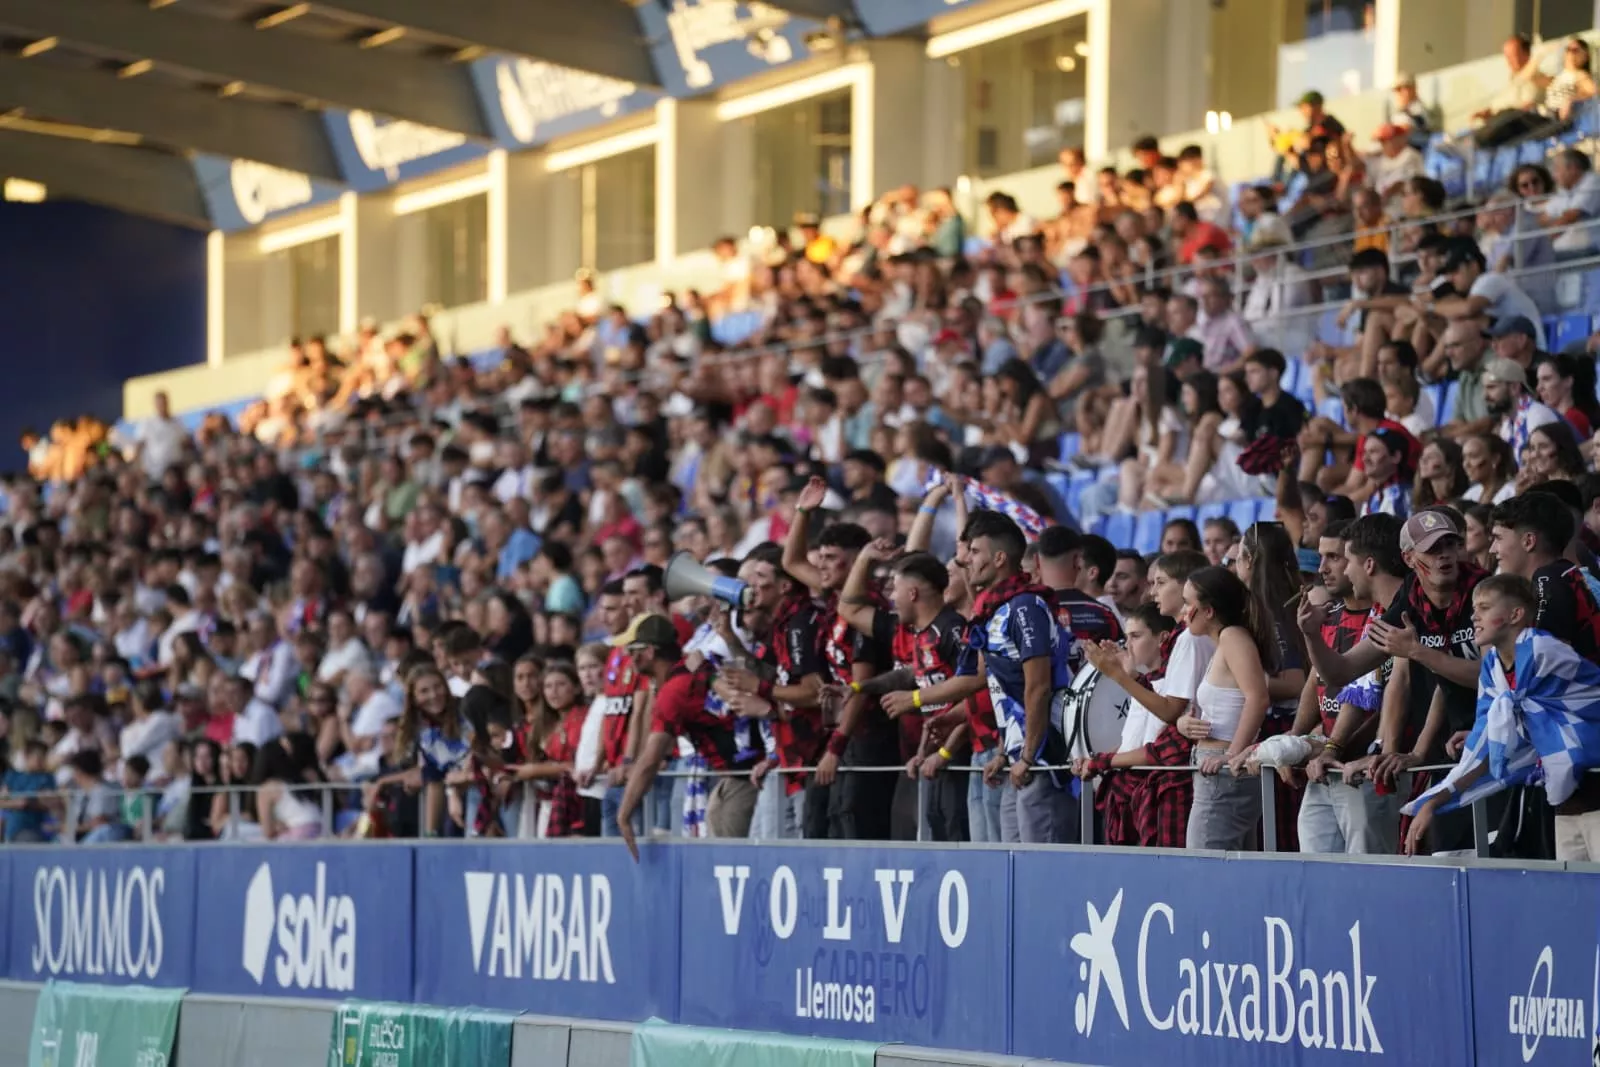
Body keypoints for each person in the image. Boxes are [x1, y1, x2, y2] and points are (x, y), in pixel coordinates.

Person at [1299, 509, 1488, 853]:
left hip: (1495, 750)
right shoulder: (1412, 599)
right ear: (1409, 558)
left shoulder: (1483, 592)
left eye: (1450, 544)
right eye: (1432, 548)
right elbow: (1341, 673)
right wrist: (1312, 637)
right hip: (1449, 755)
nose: (1444, 554)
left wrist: (1419, 653)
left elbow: (1497, 678)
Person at [889, 511, 1076, 843]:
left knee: (1039, 863)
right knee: (1008, 862)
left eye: (974, 553)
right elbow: (999, 686)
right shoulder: (995, 610)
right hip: (1014, 756)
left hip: (1044, 756)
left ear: (999, 559)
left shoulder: (1025, 607)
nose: (967, 562)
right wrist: (1004, 752)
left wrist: (1029, 755)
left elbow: (1037, 687)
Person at [1403, 575, 1600, 859]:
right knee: (1575, 900)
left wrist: (1502, 728)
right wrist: (1435, 801)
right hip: (1566, 804)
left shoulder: (1543, 651)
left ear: (1515, 615)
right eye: (1473, 608)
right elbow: (1482, 749)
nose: (1474, 616)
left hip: (1594, 791)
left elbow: (1579, 703)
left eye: (1484, 607)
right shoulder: (1493, 669)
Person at [834, 543, 970, 841]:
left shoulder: (952, 630)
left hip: (963, 759)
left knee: (959, 841)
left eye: (895, 589)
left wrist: (946, 752)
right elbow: (932, 706)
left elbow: (973, 694)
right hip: (937, 759)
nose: (891, 597)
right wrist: (923, 753)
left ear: (913, 594)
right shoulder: (920, 636)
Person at [617, 615, 762, 858]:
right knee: (716, 818)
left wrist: (624, 815)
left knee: (730, 858)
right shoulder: (685, 673)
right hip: (739, 772)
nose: (630, 658)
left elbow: (651, 760)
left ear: (650, 652)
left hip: (749, 773)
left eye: (634, 650)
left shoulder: (675, 690)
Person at [1176, 566, 1275, 851]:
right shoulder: (1225, 641)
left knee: (1205, 866)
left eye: (1188, 603)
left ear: (1208, 611)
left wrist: (1232, 755)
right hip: (1215, 763)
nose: (1184, 611)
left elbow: (1258, 698)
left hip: (1222, 767)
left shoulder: (1233, 637)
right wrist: (1186, 723)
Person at [1489, 492, 1600, 662]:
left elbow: (1544, 664)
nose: (1492, 549)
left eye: (1498, 538)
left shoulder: (1549, 580)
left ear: (1529, 541)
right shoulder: (1563, 575)